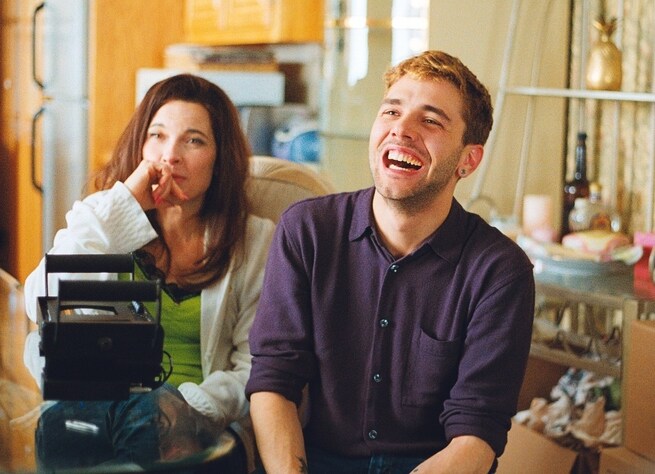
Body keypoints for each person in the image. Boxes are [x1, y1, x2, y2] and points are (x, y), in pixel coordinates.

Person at [245, 50, 535, 473]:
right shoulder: (307, 230)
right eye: (391, 112)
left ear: (468, 160)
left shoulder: (500, 271)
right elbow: (274, 380)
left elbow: (477, 430)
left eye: (431, 120)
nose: (401, 129)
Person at [23, 74, 275, 471]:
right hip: (96, 407)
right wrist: (123, 204)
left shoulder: (256, 240)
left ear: (220, 156)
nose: (169, 155)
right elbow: (42, 302)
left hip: (203, 421)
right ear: (140, 144)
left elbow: (255, 364)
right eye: (157, 135)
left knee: (144, 424)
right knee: (63, 427)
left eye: (194, 140)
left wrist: (180, 407)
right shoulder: (105, 215)